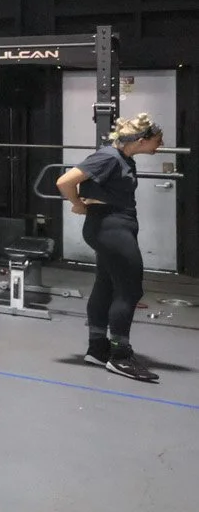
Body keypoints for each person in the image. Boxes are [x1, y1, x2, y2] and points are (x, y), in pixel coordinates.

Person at [56, 113, 165, 382]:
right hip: (110, 229)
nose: (160, 147)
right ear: (142, 140)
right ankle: (120, 356)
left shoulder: (124, 159)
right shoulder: (108, 157)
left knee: (106, 284)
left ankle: (97, 348)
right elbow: (64, 181)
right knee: (130, 289)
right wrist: (79, 203)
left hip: (115, 227)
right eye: (157, 142)